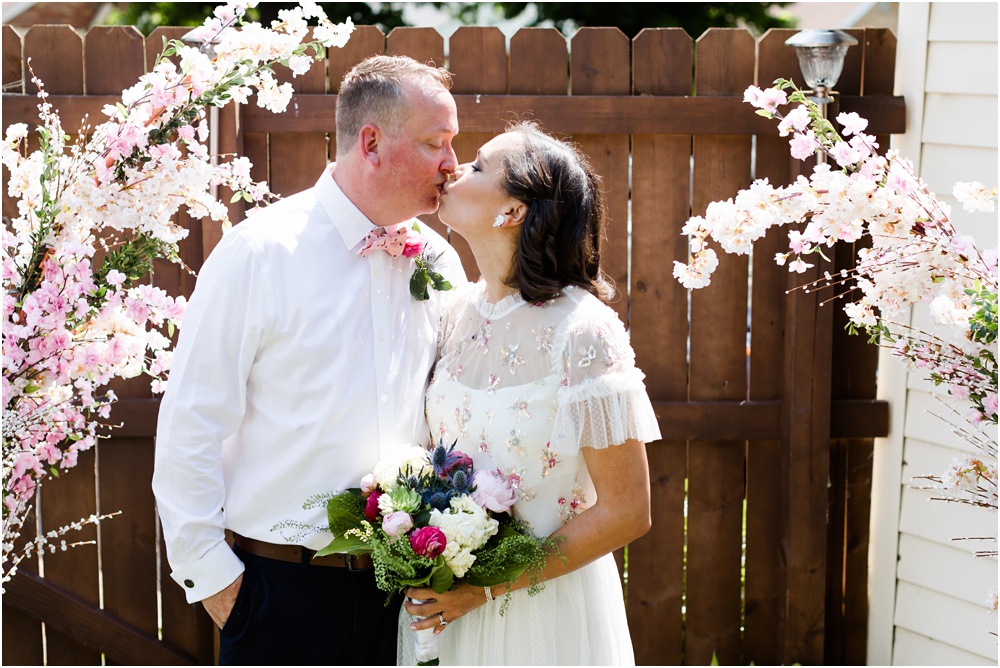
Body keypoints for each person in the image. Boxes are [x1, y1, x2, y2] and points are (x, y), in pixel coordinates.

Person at [152, 55, 466, 665]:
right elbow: (192, 423)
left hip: (405, 595)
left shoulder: (440, 262)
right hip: (277, 594)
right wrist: (221, 586)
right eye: (437, 143)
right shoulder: (260, 253)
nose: (453, 164)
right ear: (372, 142)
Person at [399, 122, 660, 665]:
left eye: (476, 165)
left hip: (544, 616)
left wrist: (488, 588)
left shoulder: (584, 331)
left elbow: (627, 510)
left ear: (514, 210)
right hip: (446, 617)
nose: (453, 168)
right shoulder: (452, 316)